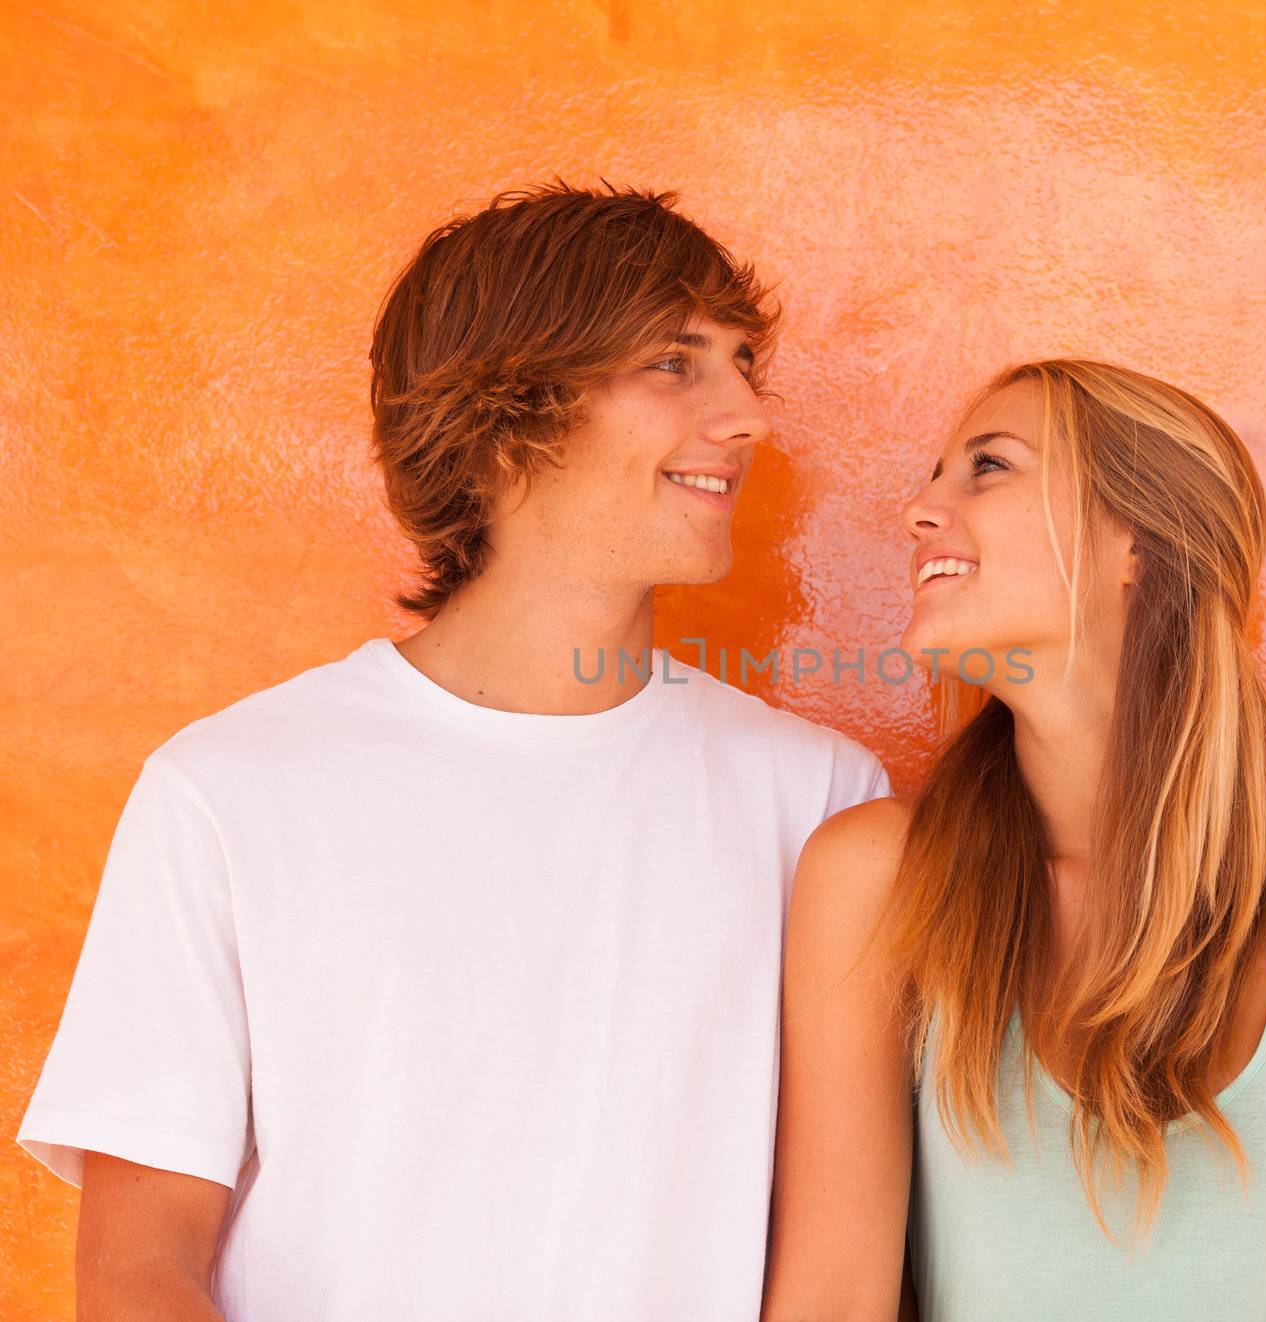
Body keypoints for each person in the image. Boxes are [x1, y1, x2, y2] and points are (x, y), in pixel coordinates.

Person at [19, 184, 891, 1321]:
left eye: (740, 363)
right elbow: (139, 1268)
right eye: (675, 362)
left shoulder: (821, 802)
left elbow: (837, 1267)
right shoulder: (230, 789)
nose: (747, 416)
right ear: (508, 407)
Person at [762, 359, 1266, 1321]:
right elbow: (835, 1296)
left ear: (1138, 542)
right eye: (936, 474)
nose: (919, 511)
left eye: (989, 467)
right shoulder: (879, 875)